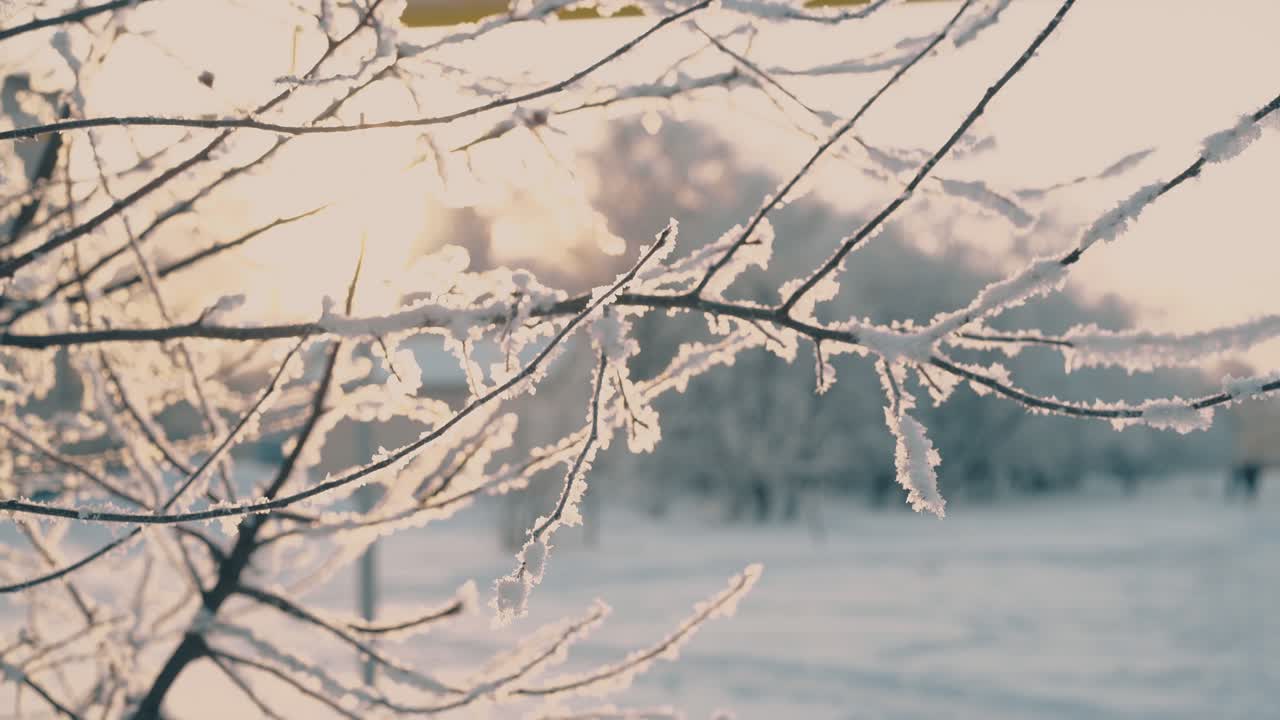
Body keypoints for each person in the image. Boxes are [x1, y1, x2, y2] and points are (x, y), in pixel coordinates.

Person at [1221, 360, 1279, 501]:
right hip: (1248, 463)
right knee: (1246, 480)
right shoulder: (1249, 416)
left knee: (1248, 481)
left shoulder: (1262, 415)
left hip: (1249, 464)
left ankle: (1246, 494)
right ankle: (1243, 494)